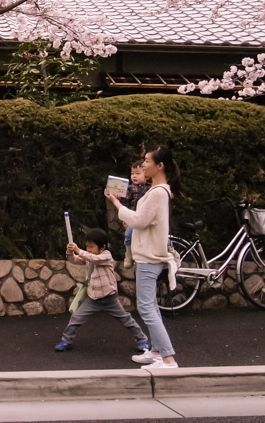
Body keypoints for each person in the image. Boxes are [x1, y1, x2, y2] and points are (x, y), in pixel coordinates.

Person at [106, 144, 182, 369]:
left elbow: (139, 220)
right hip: (148, 255)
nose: (144, 165)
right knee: (152, 307)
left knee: (146, 307)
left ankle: (168, 358)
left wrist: (117, 204)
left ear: (160, 166)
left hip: (149, 257)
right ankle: (157, 351)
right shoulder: (157, 190)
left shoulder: (158, 192)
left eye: (148, 161)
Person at [54, 227, 150, 353]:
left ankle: (142, 339)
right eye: (87, 246)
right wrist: (70, 252)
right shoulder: (89, 256)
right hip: (93, 298)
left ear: (102, 247)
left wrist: (78, 250)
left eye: (92, 247)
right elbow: (75, 260)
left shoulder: (106, 256)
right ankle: (66, 340)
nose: (89, 250)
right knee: (76, 318)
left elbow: (94, 259)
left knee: (126, 320)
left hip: (109, 298)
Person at [121, 159, 151, 267]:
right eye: (132, 173)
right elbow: (124, 204)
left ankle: (170, 249)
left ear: (146, 174)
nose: (134, 176)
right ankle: (128, 254)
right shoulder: (129, 188)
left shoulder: (152, 187)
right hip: (133, 218)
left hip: (148, 219)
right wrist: (124, 218)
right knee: (128, 235)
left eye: (138, 173)